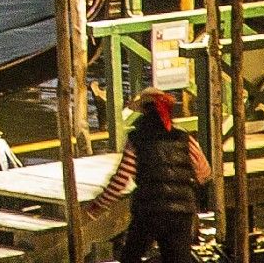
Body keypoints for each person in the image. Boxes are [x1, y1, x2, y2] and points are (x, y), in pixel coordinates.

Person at [85, 89, 210, 263]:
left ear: (144, 112)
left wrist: (99, 205)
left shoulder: (137, 139)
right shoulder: (185, 138)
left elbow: (121, 180)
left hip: (149, 211)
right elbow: (204, 172)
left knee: (131, 257)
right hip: (181, 213)